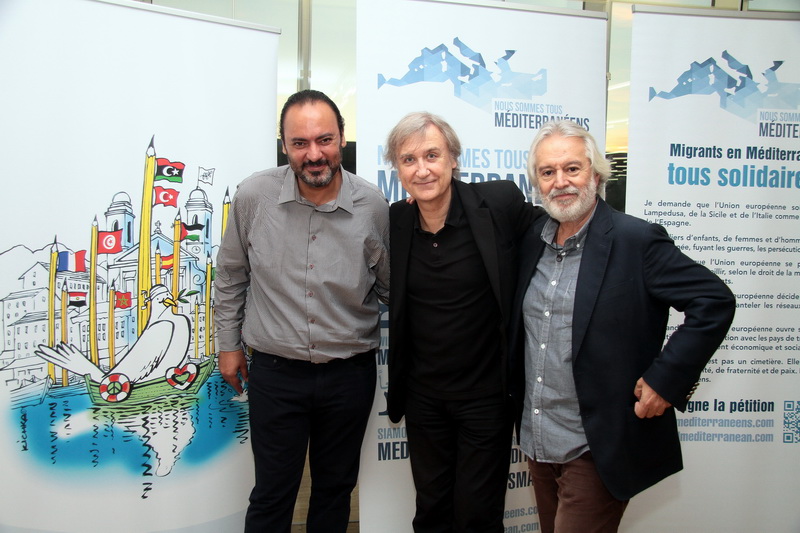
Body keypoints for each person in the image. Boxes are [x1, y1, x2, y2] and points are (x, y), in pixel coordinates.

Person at [509, 120, 736, 533]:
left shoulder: (637, 241)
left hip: (598, 446)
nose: (561, 182)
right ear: (536, 184)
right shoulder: (531, 241)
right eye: (548, 172)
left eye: (572, 168)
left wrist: (666, 380)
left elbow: (714, 301)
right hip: (538, 441)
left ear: (596, 175)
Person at [214, 89, 390, 533]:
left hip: (350, 376)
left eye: (325, 140)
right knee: (272, 494)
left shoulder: (374, 207)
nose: (314, 154)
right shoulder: (253, 196)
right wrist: (227, 346)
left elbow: (391, 288)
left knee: (334, 492)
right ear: (284, 145)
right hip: (276, 374)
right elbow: (232, 275)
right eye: (300, 143)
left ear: (343, 139)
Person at [384, 111, 544, 532]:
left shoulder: (500, 203)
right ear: (397, 170)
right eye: (409, 159)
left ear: (454, 159)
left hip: (486, 398)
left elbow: (559, 228)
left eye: (432, 155)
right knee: (432, 512)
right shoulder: (394, 223)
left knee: (478, 515)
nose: (422, 169)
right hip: (424, 399)